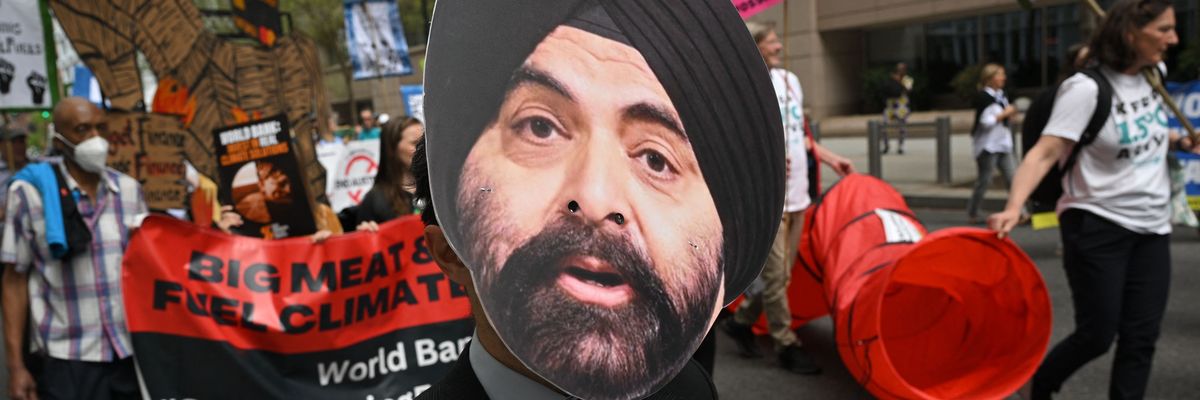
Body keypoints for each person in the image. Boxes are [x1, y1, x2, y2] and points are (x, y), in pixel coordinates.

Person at [414, 0, 786, 398]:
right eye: (540, 128)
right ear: (448, 252)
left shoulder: (691, 390)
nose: (595, 198)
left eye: (655, 160)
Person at [988, 1, 1195, 398]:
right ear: (1131, 32)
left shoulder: (1155, 75)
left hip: (1153, 227)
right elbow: (1045, 152)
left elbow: (1140, 131)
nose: (1174, 39)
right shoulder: (1085, 89)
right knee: (1097, 335)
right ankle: (1042, 382)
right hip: (1097, 224)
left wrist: (1179, 139)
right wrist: (1014, 206)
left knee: (1141, 339)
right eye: (1164, 29)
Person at [721, 21, 855, 376]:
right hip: (768, 200)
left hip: (798, 195)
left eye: (779, 40)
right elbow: (731, 145)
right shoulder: (743, 88)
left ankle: (741, 321)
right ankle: (786, 344)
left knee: (783, 277)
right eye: (771, 42)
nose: (779, 46)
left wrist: (828, 157)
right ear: (755, 48)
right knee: (778, 277)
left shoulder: (789, 81)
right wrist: (761, 159)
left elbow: (801, 134)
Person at [2, 97, 148, 400]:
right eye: (82, 130)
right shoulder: (29, 196)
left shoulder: (130, 192)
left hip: (128, 354)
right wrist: (16, 366)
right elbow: (14, 280)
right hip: (67, 359)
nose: (95, 139)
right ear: (60, 139)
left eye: (100, 128)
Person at [966, 63, 1019, 225]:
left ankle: (1019, 211)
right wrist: (1005, 114)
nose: (1003, 78)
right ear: (990, 79)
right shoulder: (984, 97)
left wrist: (1008, 115)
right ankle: (973, 211)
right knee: (985, 179)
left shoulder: (1002, 96)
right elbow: (985, 122)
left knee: (1013, 177)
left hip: (1003, 143)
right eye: (999, 75)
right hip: (988, 145)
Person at [356, 116, 423, 226]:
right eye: (415, 143)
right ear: (392, 149)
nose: (424, 148)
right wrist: (367, 233)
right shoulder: (375, 200)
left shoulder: (440, 188)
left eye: (425, 142)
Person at [882, 62, 913, 154]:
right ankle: (886, 146)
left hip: (901, 106)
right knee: (884, 126)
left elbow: (909, 90)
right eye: (898, 68)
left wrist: (899, 81)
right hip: (890, 105)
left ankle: (901, 146)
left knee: (902, 127)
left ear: (905, 70)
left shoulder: (907, 79)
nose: (900, 70)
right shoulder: (891, 77)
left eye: (902, 69)